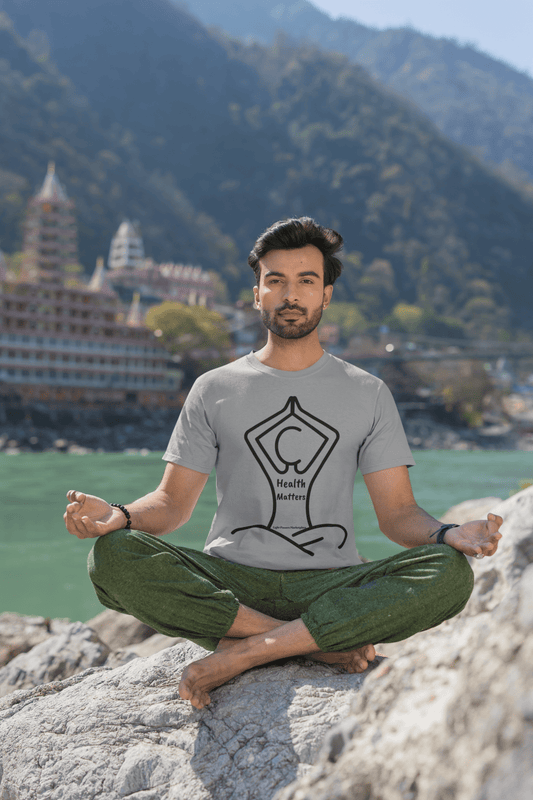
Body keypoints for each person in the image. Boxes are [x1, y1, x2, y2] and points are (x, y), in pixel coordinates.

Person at [64, 217, 503, 710]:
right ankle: (310, 643)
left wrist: (448, 534)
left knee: (450, 573)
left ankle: (246, 652)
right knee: (111, 557)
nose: (290, 295)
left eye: (306, 281)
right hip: (234, 584)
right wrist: (117, 517)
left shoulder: (368, 392)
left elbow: (397, 516)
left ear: (326, 295)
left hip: (329, 583)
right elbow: (171, 504)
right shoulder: (214, 388)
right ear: (257, 294)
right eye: (276, 281)